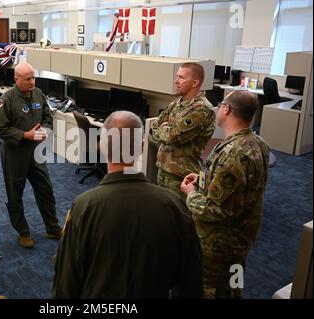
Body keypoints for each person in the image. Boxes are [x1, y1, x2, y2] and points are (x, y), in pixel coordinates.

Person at [53, 111, 203, 298]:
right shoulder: (175, 206)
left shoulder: (84, 207)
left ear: (101, 145)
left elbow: (66, 283)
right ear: (141, 147)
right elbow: (191, 281)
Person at [180, 90, 270, 299]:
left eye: (221, 104)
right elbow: (241, 187)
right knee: (234, 283)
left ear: (227, 109)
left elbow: (217, 210)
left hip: (219, 245)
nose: (219, 108)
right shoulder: (257, 143)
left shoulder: (234, 153)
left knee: (212, 291)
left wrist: (190, 194)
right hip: (241, 241)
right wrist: (203, 179)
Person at [0, 62, 62, 249]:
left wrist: (46, 130)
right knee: (15, 195)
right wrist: (26, 135)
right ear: (16, 79)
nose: (32, 82)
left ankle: (52, 227)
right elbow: (0, 129)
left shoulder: (39, 94)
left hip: (36, 153)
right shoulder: (7, 99)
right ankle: (23, 232)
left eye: (33, 78)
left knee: (45, 189)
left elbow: (48, 118)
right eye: (27, 79)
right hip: (15, 154)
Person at [152, 62, 215, 198]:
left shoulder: (201, 109)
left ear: (195, 83)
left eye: (181, 77)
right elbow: (154, 128)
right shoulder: (176, 103)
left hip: (182, 175)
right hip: (164, 168)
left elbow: (173, 137)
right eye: (177, 76)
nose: (176, 81)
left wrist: (165, 128)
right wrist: (165, 129)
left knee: (178, 214)